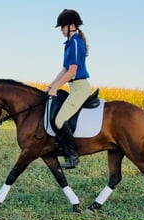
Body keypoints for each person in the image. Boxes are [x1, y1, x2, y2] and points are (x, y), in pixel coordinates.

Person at [45, 9, 91, 169]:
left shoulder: (76, 42)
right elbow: (65, 69)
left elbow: (72, 71)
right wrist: (52, 85)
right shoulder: (69, 44)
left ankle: (72, 155)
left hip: (80, 88)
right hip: (74, 88)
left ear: (72, 26)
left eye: (63, 27)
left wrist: (57, 87)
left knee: (59, 120)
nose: (61, 30)